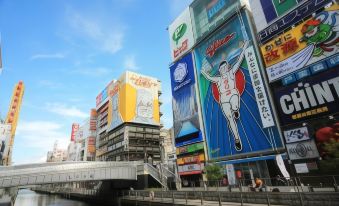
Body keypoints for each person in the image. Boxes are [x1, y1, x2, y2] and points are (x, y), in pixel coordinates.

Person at [201, 40, 249, 151]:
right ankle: (237, 139)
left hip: (233, 93)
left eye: (224, 67)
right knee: (229, 118)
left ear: (227, 67)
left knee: (235, 104)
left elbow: (240, 59)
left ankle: (236, 109)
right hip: (224, 99)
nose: (223, 69)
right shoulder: (218, 79)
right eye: (221, 68)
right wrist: (203, 72)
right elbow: (209, 78)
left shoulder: (231, 72)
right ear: (220, 70)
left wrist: (245, 47)